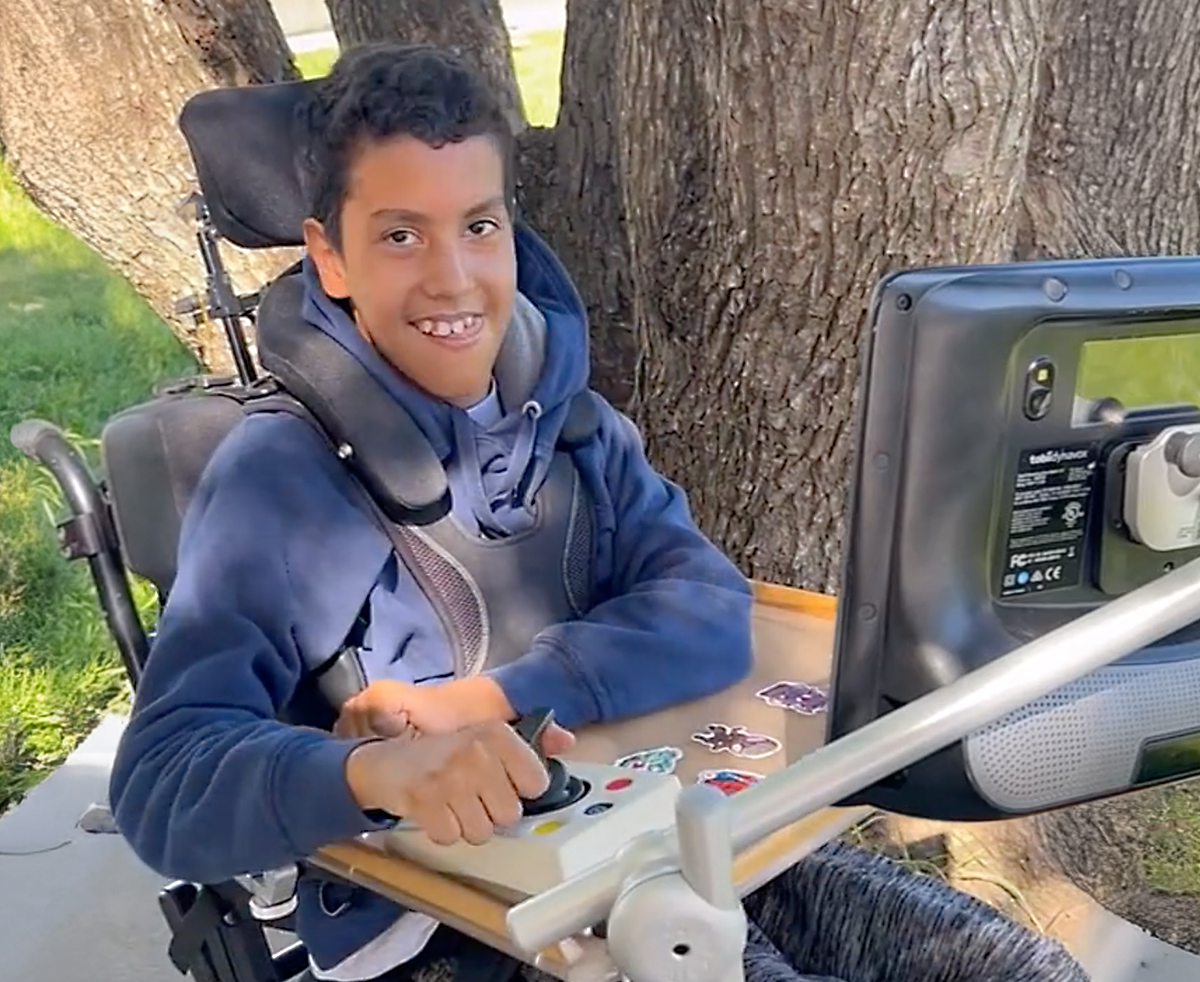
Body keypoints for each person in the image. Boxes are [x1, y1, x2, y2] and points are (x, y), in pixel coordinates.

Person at [109, 39, 759, 982]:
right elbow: (163, 785)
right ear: (329, 255)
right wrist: (374, 773)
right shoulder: (280, 478)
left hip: (635, 851)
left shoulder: (573, 422)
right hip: (436, 930)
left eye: (480, 228)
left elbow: (710, 607)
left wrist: (485, 700)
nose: (453, 278)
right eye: (401, 234)